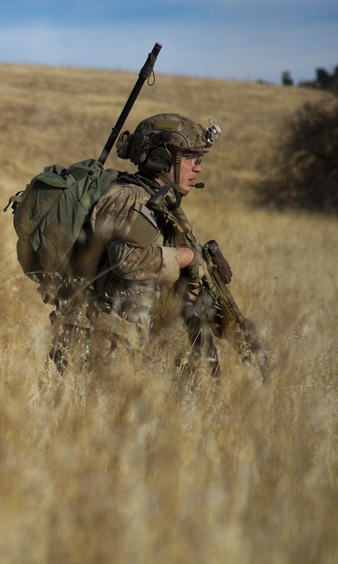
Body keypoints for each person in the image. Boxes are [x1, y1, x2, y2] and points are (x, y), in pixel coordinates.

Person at [48, 113, 222, 375]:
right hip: (102, 340)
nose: (198, 168)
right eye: (189, 158)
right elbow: (129, 262)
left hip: (119, 338)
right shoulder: (130, 199)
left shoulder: (155, 202)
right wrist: (185, 257)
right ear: (162, 158)